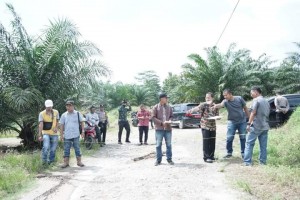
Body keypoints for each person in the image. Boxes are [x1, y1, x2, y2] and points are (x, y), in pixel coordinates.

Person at [213, 89, 250, 159]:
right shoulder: (225, 101)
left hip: (242, 121)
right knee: (229, 137)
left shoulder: (239, 98)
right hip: (231, 122)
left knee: (243, 137)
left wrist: (249, 120)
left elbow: (245, 108)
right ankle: (229, 153)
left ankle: (243, 153)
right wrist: (215, 106)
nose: (225, 97)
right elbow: (220, 105)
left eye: (226, 95)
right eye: (224, 95)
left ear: (230, 94)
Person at [187, 92, 219, 163]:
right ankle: (206, 157)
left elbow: (217, 115)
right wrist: (191, 111)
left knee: (212, 141)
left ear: (212, 98)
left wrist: (217, 117)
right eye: (206, 97)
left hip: (213, 126)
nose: (207, 99)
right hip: (205, 125)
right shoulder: (203, 105)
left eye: (208, 97)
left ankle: (211, 156)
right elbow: (197, 108)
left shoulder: (215, 105)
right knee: (206, 141)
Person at [244, 86, 270, 166]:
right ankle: (262, 162)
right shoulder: (266, 101)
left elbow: (253, 112)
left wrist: (248, 123)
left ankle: (247, 162)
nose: (250, 94)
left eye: (251, 93)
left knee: (249, 144)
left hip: (256, 126)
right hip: (265, 126)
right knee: (263, 146)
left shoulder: (256, 100)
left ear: (256, 92)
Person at [59, 100, 85, 168]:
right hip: (67, 135)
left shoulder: (78, 113)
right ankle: (66, 163)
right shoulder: (63, 115)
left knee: (77, 148)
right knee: (66, 148)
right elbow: (61, 125)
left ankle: (79, 162)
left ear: (73, 106)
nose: (68, 107)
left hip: (76, 134)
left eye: (70, 105)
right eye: (67, 106)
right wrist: (61, 135)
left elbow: (82, 122)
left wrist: (83, 132)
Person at [152, 93, 174, 166]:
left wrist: (170, 120)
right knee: (158, 145)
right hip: (159, 129)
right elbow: (153, 117)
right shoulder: (155, 107)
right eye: (166, 98)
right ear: (161, 99)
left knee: (169, 145)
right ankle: (158, 160)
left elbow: (171, 116)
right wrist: (161, 123)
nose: (167, 99)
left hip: (168, 129)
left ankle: (169, 159)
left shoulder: (169, 107)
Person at [38, 100, 60, 165]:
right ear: (45, 106)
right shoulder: (42, 113)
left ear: (52, 106)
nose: (49, 108)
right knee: (46, 146)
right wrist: (39, 135)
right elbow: (40, 125)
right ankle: (44, 162)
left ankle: (51, 162)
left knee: (53, 149)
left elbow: (58, 121)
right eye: (48, 107)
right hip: (45, 133)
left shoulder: (56, 112)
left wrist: (56, 127)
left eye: (50, 106)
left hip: (54, 133)